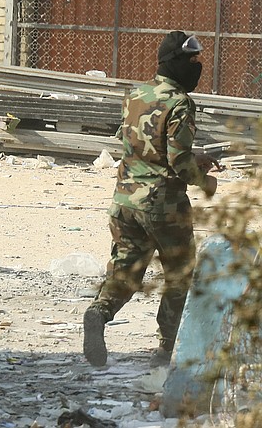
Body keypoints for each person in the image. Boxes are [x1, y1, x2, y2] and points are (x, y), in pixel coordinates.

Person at [83, 31, 219, 368]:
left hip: (125, 201)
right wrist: (206, 180)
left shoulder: (135, 95)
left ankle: (98, 313)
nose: (196, 66)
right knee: (178, 274)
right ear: (175, 62)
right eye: (191, 61)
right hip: (164, 206)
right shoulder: (180, 102)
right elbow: (179, 163)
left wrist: (192, 153)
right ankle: (166, 349)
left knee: (126, 268)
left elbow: (138, 143)